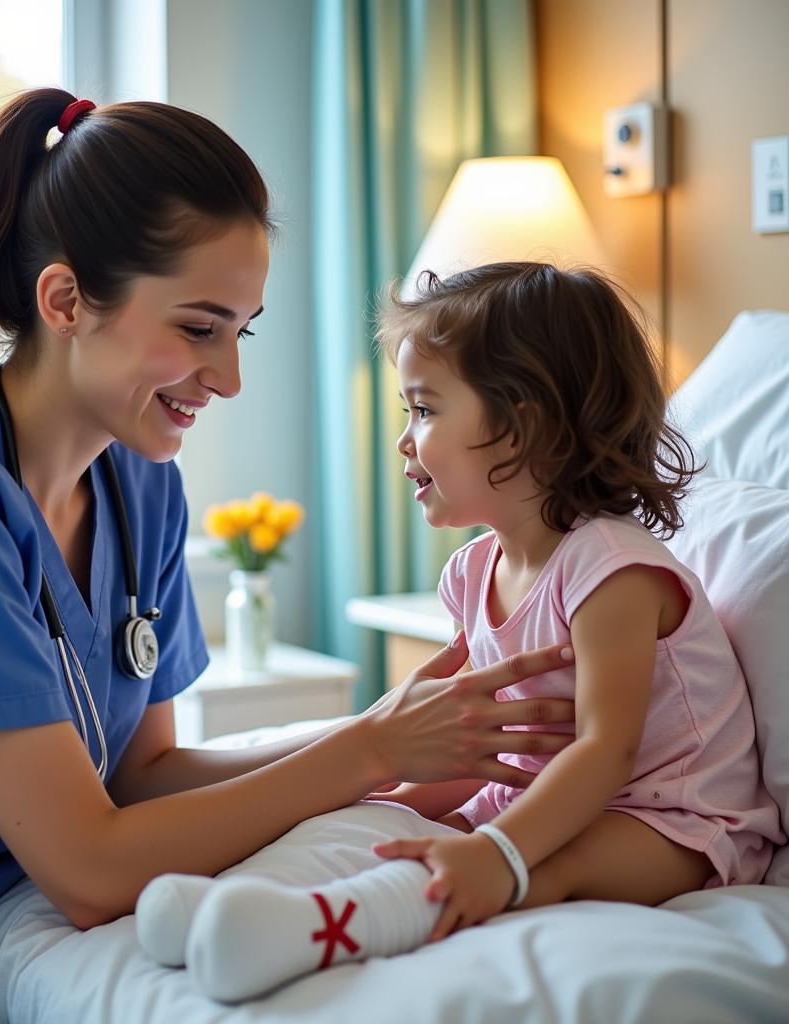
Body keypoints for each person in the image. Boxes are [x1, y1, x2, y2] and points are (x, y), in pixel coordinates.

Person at [0, 92, 578, 1023]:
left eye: (242, 331)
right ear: (65, 300)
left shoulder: (139, 481)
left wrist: (389, 729)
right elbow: (89, 870)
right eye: (199, 328)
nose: (229, 377)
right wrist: (369, 748)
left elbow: (141, 778)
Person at [137, 261, 785, 1004]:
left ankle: (320, 927)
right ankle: (228, 903)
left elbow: (608, 752)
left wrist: (497, 848)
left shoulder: (614, 573)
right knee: (381, 817)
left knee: (554, 862)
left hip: (674, 821)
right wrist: (390, 797)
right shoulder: (474, 573)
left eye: (424, 410)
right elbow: (489, 742)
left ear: (525, 424)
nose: (405, 442)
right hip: (554, 789)